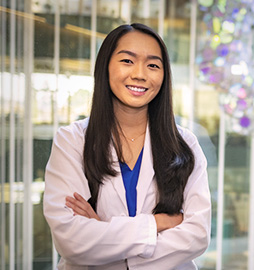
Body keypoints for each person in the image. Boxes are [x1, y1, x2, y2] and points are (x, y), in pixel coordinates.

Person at [43, 23, 211, 270]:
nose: (140, 74)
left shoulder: (185, 143)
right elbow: (72, 242)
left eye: (153, 65)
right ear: (105, 66)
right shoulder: (72, 140)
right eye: (127, 61)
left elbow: (197, 235)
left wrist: (103, 231)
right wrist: (157, 224)